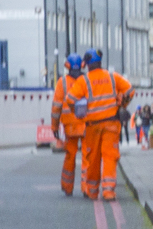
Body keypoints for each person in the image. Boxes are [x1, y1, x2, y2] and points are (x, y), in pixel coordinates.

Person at [75, 48, 133, 200]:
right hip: (111, 124)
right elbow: (130, 90)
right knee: (109, 157)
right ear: (100, 62)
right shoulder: (113, 77)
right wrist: (122, 102)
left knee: (92, 159)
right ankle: (108, 192)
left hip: (93, 126)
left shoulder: (84, 80)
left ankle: (92, 191)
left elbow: (70, 99)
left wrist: (80, 113)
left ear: (87, 65)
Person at [51, 54, 86, 196]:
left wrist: (54, 127)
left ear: (67, 66)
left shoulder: (62, 82)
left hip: (69, 126)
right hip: (86, 124)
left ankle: (67, 186)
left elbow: (56, 107)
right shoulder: (86, 81)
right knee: (87, 157)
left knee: (70, 156)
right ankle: (87, 188)